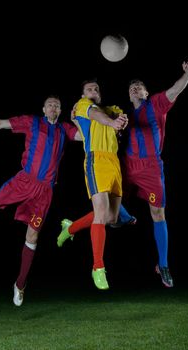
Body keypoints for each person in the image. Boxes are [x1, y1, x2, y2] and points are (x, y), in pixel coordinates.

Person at [0, 95, 81, 306]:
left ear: (60, 110)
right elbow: (2, 124)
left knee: (32, 237)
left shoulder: (64, 129)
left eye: (57, 105)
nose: (53, 107)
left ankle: (20, 284)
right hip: (23, 181)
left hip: (44, 191)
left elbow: (85, 138)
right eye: (50, 104)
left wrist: (77, 120)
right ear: (43, 108)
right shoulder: (32, 122)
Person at [118, 60, 188, 287]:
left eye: (139, 86)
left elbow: (175, 88)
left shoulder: (156, 104)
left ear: (146, 91)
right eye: (131, 87)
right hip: (128, 165)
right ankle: (124, 218)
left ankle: (162, 265)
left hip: (151, 167)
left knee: (158, 213)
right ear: (129, 94)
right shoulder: (123, 115)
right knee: (108, 200)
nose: (135, 88)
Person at [57, 79, 128, 290]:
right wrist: (112, 122)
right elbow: (96, 115)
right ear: (82, 95)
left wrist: (121, 121)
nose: (94, 91)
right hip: (95, 159)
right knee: (100, 214)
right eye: (89, 89)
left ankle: (70, 228)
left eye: (97, 88)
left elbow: (116, 118)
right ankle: (98, 267)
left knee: (111, 217)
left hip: (114, 162)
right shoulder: (82, 106)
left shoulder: (113, 108)